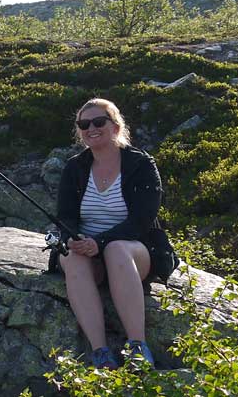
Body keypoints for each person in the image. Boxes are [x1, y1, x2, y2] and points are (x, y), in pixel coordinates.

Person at [55, 98, 174, 370]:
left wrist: (100, 242)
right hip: (88, 253)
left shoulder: (140, 164)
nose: (91, 128)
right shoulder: (75, 167)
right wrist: (73, 240)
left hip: (133, 253)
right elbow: (66, 217)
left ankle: (137, 347)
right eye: (84, 124)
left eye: (99, 122)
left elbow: (142, 220)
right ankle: (101, 352)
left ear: (116, 126)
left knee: (116, 248)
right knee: (72, 258)